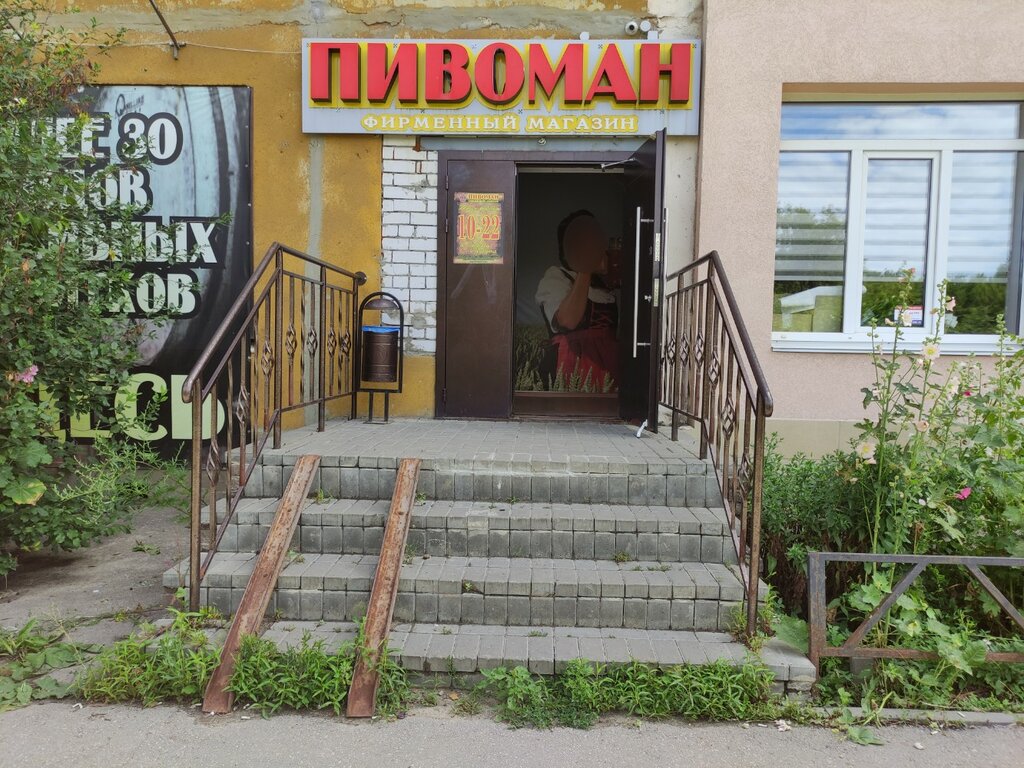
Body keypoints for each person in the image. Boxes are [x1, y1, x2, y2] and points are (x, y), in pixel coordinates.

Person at [535, 210, 620, 392]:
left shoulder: (605, 283)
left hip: (609, 368)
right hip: (574, 365)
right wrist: (585, 267)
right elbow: (567, 320)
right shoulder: (557, 276)